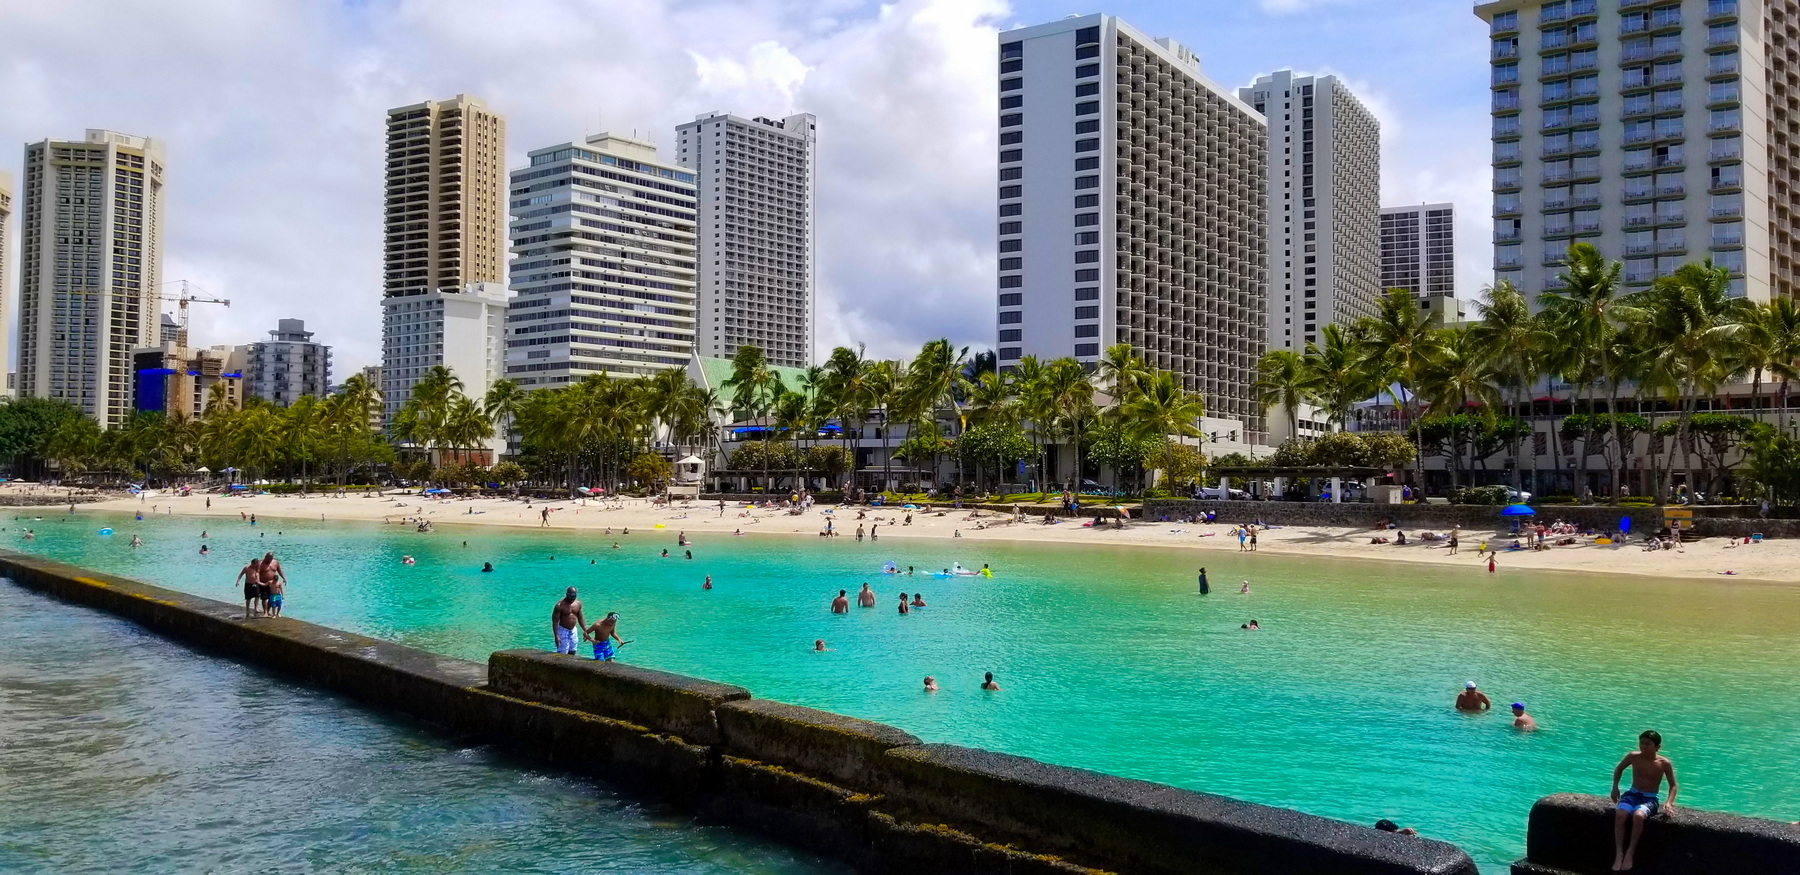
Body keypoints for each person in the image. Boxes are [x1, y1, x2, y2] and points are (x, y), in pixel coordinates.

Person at [1611, 730, 1678, 872]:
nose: (1644, 746)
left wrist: (1669, 802)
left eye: (1648, 744)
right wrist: (1615, 787)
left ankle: (1630, 852)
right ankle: (1619, 853)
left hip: (1650, 798)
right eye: (1642, 743)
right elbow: (1619, 769)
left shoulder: (1664, 763)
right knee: (1620, 814)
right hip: (1632, 794)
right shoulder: (1633, 756)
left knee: (1638, 816)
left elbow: (1673, 785)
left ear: (1657, 747)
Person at [551, 588, 587, 655]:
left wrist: (585, 630)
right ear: (567, 595)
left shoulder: (578, 604)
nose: (572, 599)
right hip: (563, 630)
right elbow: (555, 621)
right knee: (562, 653)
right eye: (571, 597)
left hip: (573, 630)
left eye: (574, 597)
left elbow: (580, 618)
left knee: (573, 651)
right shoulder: (559, 606)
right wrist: (556, 636)